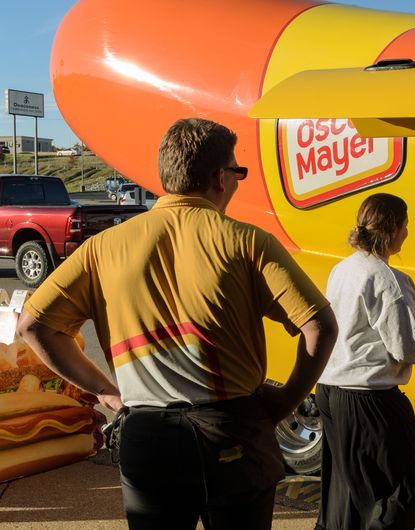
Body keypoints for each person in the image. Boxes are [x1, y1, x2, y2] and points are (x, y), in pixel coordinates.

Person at [16, 117, 338, 530]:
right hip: (233, 435)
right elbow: (321, 327)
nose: (237, 183)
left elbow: (33, 326)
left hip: (149, 439)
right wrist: (284, 402)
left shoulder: (101, 249)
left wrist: (104, 392)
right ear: (220, 178)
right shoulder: (247, 241)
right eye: (237, 173)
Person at [315, 193, 415, 530]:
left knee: (344, 492)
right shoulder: (390, 280)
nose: (407, 233)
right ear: (391, 229)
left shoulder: (342, 268)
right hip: (369, 398)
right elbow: (408, 350)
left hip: (330, 391)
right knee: (399, 489)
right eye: (405, 226)